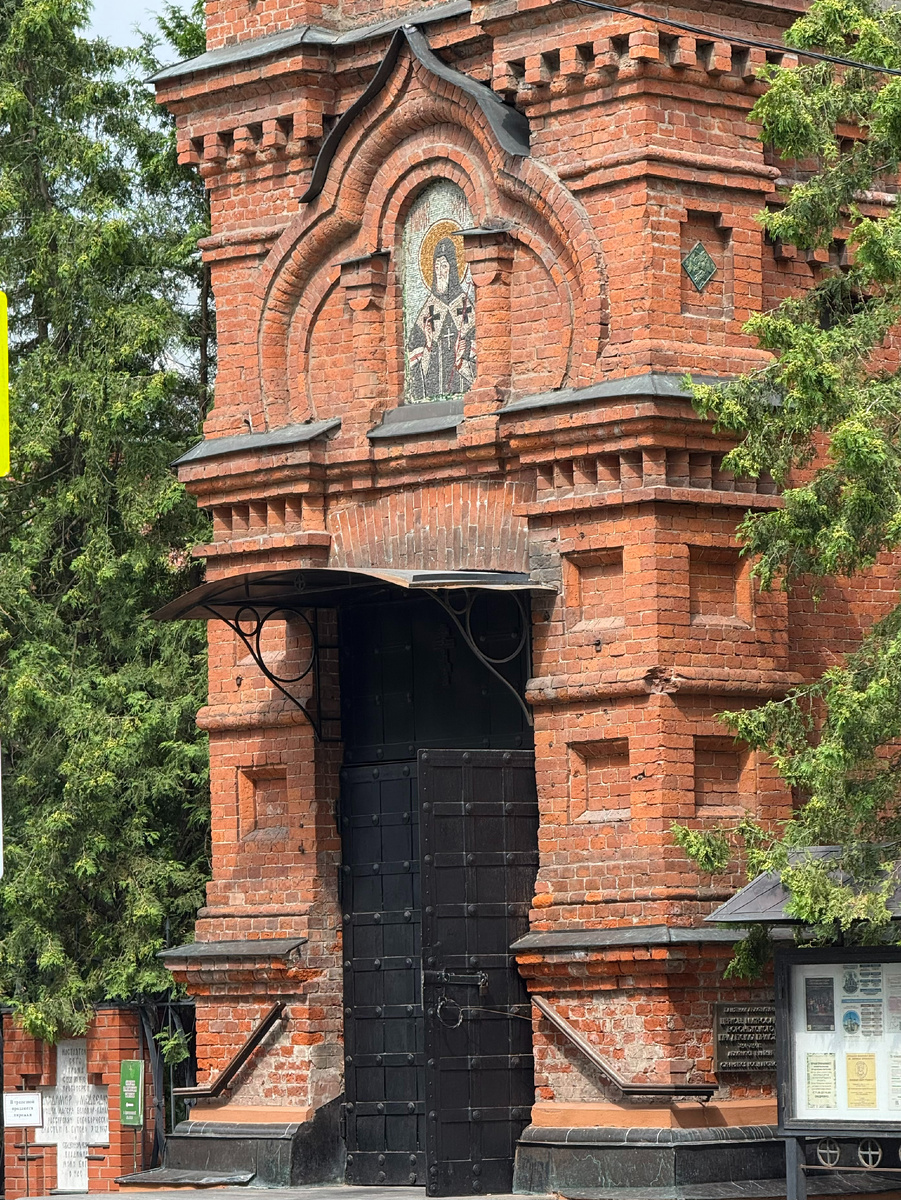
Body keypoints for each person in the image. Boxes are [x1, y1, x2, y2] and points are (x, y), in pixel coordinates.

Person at [407, 235, 476, 401]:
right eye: (436, 266)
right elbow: (414, 355)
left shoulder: (464, 304)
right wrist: (428, 346)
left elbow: (481, 346)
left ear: (452, 268)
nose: (439, 272)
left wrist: (463, 355)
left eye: (444, 266)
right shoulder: (429, 309)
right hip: (433, 388)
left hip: (462, 384)